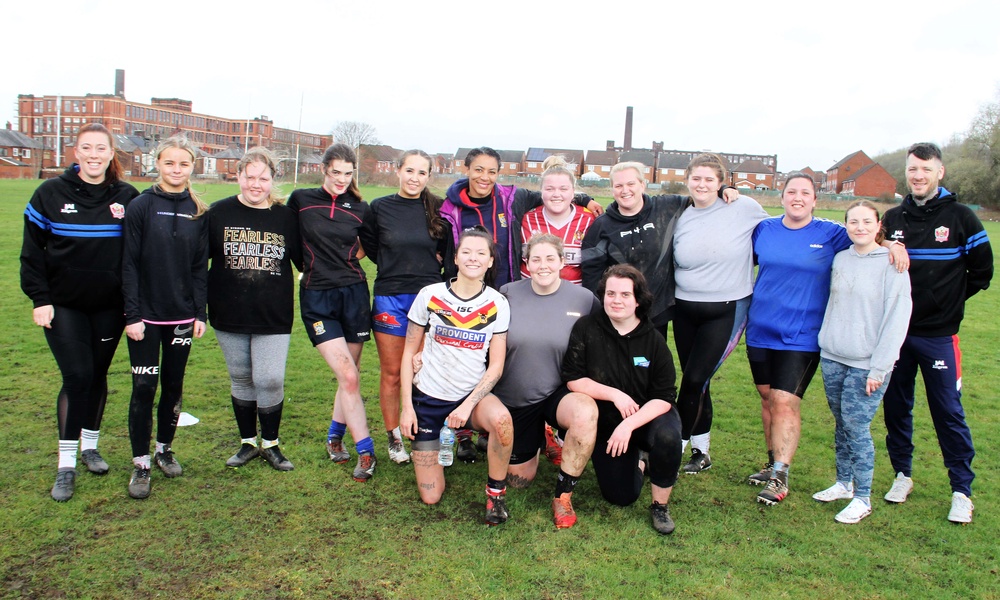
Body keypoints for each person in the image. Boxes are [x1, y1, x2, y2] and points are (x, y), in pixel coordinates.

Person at [745, 173, 907, 506]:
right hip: (761, 330)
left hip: (802, 336)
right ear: (783, 195)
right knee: (766, 398)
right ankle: (771, 462)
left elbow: (864, 237)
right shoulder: (764, 229)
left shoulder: (830, 233)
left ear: (815, 200)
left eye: (805, 193)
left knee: (784, 401)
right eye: (792, 192)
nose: (798, 198)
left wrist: (892, 244)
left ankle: (781, 475)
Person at [441, 147, 598, 461]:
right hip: (493, 294)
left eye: (491, 171)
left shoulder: (514, 199)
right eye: (478, 170)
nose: (485, 177)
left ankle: (548, 430)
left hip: (555, 303)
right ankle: (465, 429)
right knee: (481, 359)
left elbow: (559, 193)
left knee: (549, 364)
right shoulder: (456, 207)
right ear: (466, 170)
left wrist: (582, 198)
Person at [20, 123, 139, 501]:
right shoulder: (49, 194)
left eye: (100, 148)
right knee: (77, 377)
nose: (93, 155)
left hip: (110, 308)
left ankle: (90, 446)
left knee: (98, 375)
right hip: (64, 306)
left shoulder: (126, 196)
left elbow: (139, 254)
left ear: (110, 154)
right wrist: (40, 300)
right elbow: (31, 254)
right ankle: (66, 465)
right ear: (75, 153)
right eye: (86, 148)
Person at [880, 142, 993, 524]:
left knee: (948, 411)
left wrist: (946, 305)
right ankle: (902, 474)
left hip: (938, 336)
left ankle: (961, 490)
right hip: (896, 335)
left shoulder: (962, 218)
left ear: (939, 172)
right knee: (897, 407)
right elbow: (869, 248)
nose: (918, 176)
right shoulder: (893, 218)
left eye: (925, 170)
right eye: (912, 169)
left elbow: (981, 274)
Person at [399, 227, 514, 525]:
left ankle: (496, 495)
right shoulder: (430, 295)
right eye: (467, 252)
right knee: (431, 495)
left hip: (470, 400)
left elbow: (496, 366)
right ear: (456, 257)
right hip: (428, 399)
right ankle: (440, 442)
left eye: (481, 253)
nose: (473, 258)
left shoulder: (497, 304)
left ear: (490, 261)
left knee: (502, 422)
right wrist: (407, 407)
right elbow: (407, 352)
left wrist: (466, 406)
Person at [561, 264, 682, 534]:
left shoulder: (653, 340)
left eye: (625, 295)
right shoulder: (586, 328)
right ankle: (639, 461)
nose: (617, 300)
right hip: (608, 423)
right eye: (611, 293)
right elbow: (573, 378)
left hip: (650, 414)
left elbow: (664, 397)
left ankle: (659, 506)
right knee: (620, 497)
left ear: (638, 299)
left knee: (667, 438)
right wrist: (615, 395)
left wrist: (629, 425)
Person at [813, 201, 912, 524]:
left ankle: (863, 496)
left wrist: (880, 367)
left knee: (857, 427)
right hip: (833, 355)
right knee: (841, 422)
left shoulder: (892, 263)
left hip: (867, 363)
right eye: (853, 222)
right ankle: (844, 482)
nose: (860, 227)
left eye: (866, 221)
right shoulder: (841, 259)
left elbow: (897, 318)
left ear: (878, 224)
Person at [122, 135, 209, 499]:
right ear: (157, 163)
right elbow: (127, 263)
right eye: (170, 163)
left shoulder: (198, 210)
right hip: (145, 318)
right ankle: (140, 461)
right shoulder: (141, 205)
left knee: (173, 386)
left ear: (192, 167)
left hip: (180, 317)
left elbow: (199, 268)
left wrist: (198, 313)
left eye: (183, 164)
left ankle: (164, 449)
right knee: (144, 388)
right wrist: (132, 314)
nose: (176, 170)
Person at [494, 234, 601, 528]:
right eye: (536, 259)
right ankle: (543, 437)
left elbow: (605, 337)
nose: (543, 265)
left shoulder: (583, 299)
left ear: (562, 262)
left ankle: (563, 495)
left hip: (559, 391)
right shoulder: (507, 293)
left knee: (585, 412)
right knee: (518, 481)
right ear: (526, 263)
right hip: (517, 396)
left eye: (550, 258)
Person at [671, 154, 768, 473]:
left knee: (695, 378)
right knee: (698, 382)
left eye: (709, 179)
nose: (702, 185)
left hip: (726, 309)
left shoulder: (742, 207)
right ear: (687, 179)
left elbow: (777, 233)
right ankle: (702, 452)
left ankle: (675, 446)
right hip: (684, 310)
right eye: (696, 178)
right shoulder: (680, 212)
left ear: (721, 183)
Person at [207, 147, 302, 472]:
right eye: (250, 177)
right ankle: (248, 442)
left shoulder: (285, 217)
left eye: (263, 178)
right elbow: (195, 260)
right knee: (242, 377)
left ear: (272, 180)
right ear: (238, 177)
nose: (256, 184)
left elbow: (305, 260)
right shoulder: (218, 213)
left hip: (272, 314)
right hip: (228, 310)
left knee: (270, 378)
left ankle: (271, 444)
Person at [287, 143, 377, 482]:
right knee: (350, 377)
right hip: (317, 297)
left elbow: (371, 245)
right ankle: (366, 451)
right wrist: (308, 266)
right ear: (323, 170)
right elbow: (292, 242)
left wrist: (350, 256)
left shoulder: (360, 208)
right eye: (335, 172)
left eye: (348, 173)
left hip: (353, 294)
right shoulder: (301, 200)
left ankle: (334, 436)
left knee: (349, 375)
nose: (341, 179)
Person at [359, 149, 448, 465]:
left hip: (430, 300)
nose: (415, 178)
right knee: (394, 372)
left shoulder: (437, 208)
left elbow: (448, 249)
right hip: (391, 297)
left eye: (422, 173)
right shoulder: (379, 207)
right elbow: (371, 247)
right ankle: (393, 437)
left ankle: (427, 435)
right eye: (409, 171)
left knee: (424, 371)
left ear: (428, 177)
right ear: (398, 171)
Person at [580, 162, 738, 332]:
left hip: (658, 313)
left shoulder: (667, 207)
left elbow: (701, 195)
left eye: (631, 184)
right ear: (612, 189)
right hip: (619, 314)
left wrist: (723, 189)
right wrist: (602, 310)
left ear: (642, 184)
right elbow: (591, 274)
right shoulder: (601, 226)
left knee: (651, 359)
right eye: (619, 185)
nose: (625, 190)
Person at [518, 156, 596, 285]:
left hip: (574, 299)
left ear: (573, 192)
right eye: (549, 189)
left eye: (563, 189)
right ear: (541, 192)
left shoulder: (589, 220)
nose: (556, 194)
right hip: (530, 296)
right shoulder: (525, 219)